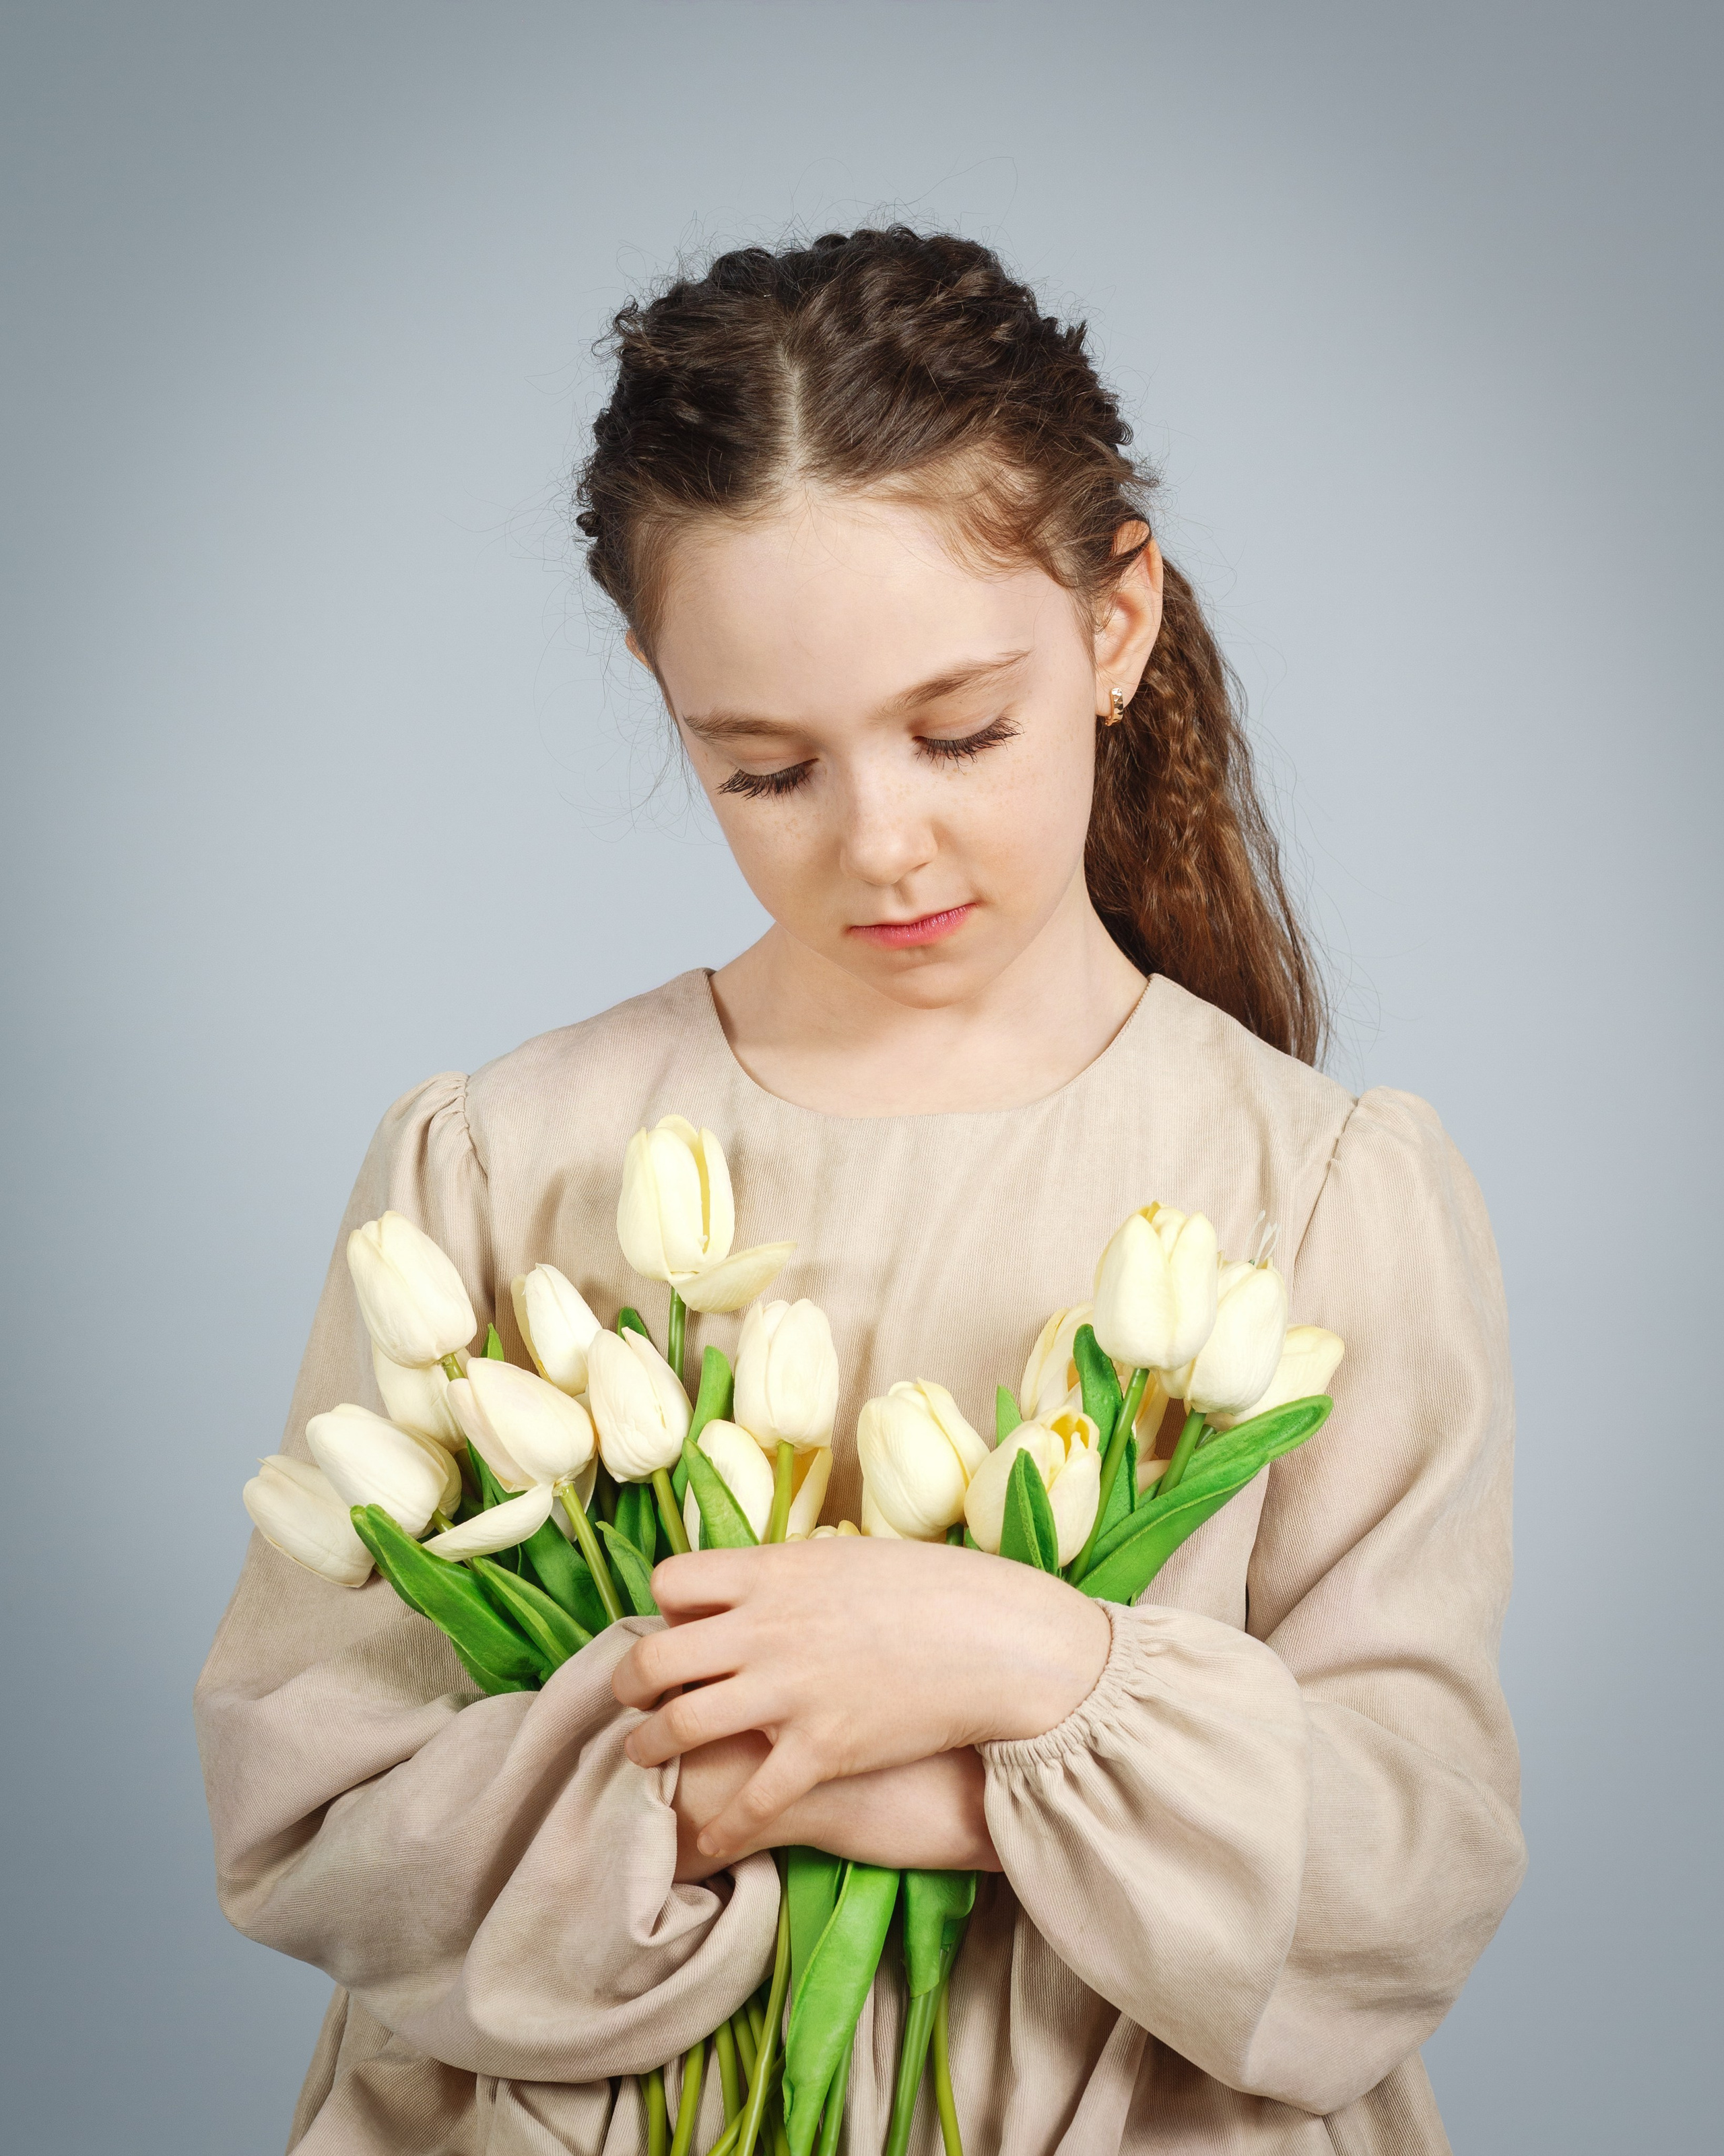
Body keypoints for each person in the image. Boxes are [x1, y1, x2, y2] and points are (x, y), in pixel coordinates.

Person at [196, 228, 1523, 2155]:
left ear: (1116, 621)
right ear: (669, 699)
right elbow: (313, 1809)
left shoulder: (1317, 1192)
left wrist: (1015, 1661)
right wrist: (888, 1779)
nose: (883, 843)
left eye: (958, 730)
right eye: (765, 770)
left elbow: (1402, 1880)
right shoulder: (504, 1162)